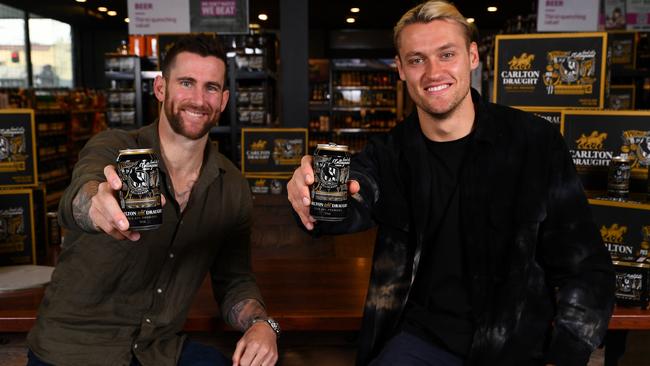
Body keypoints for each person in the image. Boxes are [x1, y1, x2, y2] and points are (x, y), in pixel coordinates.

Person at [287, 1, 615, 365]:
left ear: (472, 56)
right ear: (400, 69)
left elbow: (587, 268)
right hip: (418, 343)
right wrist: (310, 194)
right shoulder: (389, 152)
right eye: (416, 60)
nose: (432, 72)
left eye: (446, 54)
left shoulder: (535, 142)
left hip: (514, 347)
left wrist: (566, 354)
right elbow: (355, 199)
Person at [27, 34, 279, 366]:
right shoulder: (114, 149)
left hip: (156, 351)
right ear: (160, 88)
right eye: (186, 83)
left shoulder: (231, 186)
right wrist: (97, 205)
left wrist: (262, 325)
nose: (198, 99)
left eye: (211, 88)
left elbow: (235, 280)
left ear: (224, 100)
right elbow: (79, 196)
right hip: (73, 350)